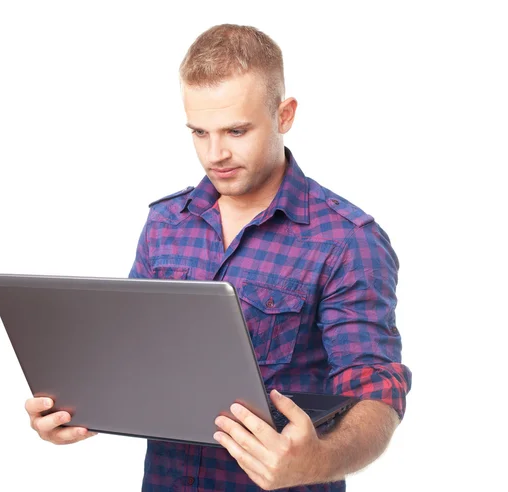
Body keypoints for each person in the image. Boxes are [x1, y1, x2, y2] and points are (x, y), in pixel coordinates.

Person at [24, 24, 412, 491]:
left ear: (284, 114)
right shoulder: (166, 224)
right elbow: (133, 360)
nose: (216, 154)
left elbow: (376, 392)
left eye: (236, 130)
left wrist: (319, 460)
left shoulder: (347, 241)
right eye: (199, 132)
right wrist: (74, 407)